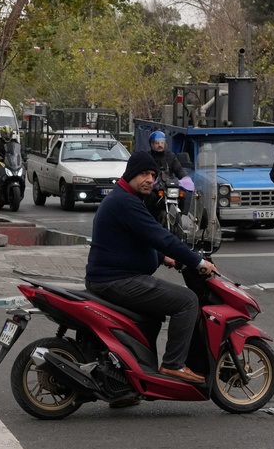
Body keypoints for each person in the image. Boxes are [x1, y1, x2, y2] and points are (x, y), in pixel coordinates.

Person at [85, 152, 219, 398]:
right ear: (131, 173)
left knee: (154, 315)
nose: (150, 179)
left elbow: (132, 240)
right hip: (116, 280)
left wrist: (164, 258)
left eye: (153, 175)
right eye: (144, 173)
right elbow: (160, 237)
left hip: (114, 277)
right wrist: (197, 261)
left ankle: (129, 384)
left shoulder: (126, 198)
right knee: (187, 301)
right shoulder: (126, 202)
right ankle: (174, 364)